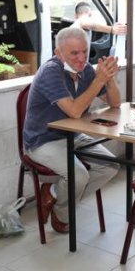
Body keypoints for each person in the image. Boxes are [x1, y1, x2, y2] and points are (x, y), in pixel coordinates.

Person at [23, 27, 121, 233]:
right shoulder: (51, 71)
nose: (81, 58)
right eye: (74, 53)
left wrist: (109, 78)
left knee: (111, 166)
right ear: (59, 53)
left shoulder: (85, 71)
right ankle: (63, 215)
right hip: (42, 140)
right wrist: (99, 80)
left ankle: (56, 196)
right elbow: (75, 112)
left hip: (72, 135)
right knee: (79, 176)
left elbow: (115, 103)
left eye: (85, 52)